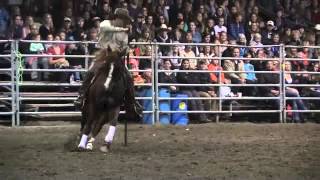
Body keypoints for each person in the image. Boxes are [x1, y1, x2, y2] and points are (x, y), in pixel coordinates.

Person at [74, 8, 141, 119]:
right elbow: (105, 28)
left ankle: (132, 103)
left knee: (128, 76)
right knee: (91, 71)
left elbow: (123, 45)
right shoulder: (106, 23)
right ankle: (81, 96)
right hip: (102, 53)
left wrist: (125, 49)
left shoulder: (124, 33)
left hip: (116, 56)